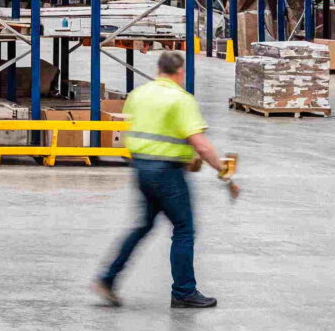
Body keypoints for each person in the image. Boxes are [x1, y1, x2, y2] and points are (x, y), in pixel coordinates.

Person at [94, 51, 238, 310]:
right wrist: (222, 169)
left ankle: (107, 279)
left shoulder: (139, 94)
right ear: (180, 72)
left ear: (159, 69)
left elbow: (148, 130)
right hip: (167, 172)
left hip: (140, 168)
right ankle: (184, 291)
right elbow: (201, 145)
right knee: (183, 229)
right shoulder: (180, 99)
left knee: (143, 225)